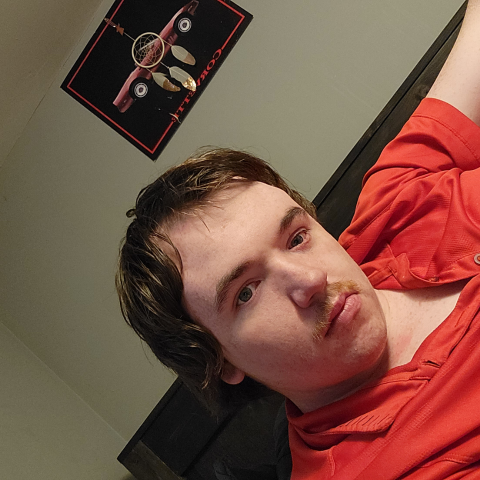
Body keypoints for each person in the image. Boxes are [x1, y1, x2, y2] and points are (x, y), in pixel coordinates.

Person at [116, 1, 480, 478]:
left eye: (295, 237)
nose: (311, 280)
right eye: (246, 292)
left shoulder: (392, 205)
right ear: (219, 362)